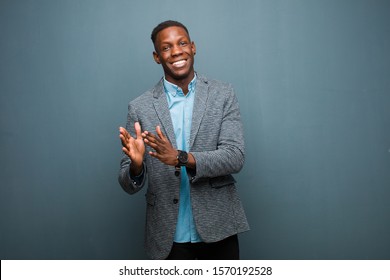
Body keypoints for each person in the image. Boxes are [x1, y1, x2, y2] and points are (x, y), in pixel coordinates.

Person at [118, 20, 249, 260]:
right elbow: (127, 184)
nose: (176, 51)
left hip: (218, 228)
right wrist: (136, 166)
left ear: (193, 47)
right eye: (166, 48)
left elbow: (235, 157)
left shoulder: (223, 93)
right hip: (167, 235)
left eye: (182, 43)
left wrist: (180, 157)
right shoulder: (139, 107)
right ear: (157, 57)